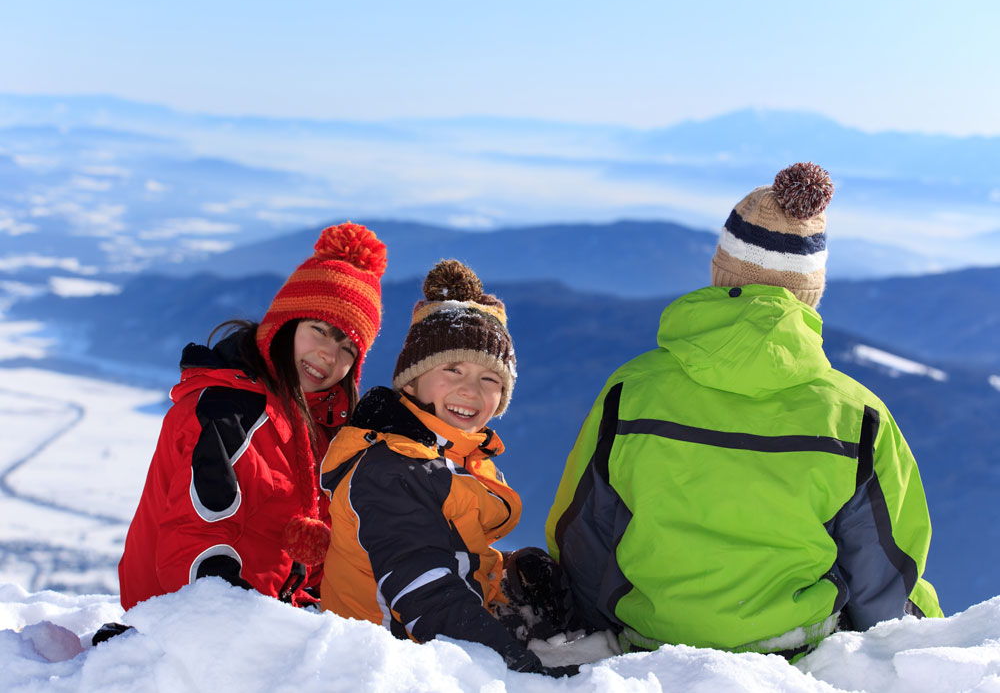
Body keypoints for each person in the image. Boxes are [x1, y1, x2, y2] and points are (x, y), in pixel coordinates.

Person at [546, 162, 943, 659]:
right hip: (793, 656)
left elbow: (581, 530)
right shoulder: (854, 414)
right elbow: (883, 567)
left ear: (719, 272)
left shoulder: (631, 391)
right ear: (810, 294)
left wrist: (593, 621)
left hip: (650, 650)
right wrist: (920, 632)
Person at [318, 260, 576, 677]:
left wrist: (510, 573)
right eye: (452, 369)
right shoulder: (390, 470)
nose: (470, 390)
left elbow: (451, 547)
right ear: (412, 382)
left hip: (431, 626)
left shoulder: (448, 452)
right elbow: (425, 593)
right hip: (388, 662)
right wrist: (521, 675)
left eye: (490, 379)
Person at [118, 222, 386, 610]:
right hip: (187, 626)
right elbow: (196, 543)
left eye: (348, 348)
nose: (330, 354)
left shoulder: (318, 428)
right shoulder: (228, 414)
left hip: (256, 618)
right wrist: (255, 633)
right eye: (320, 330)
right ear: (286, 323)